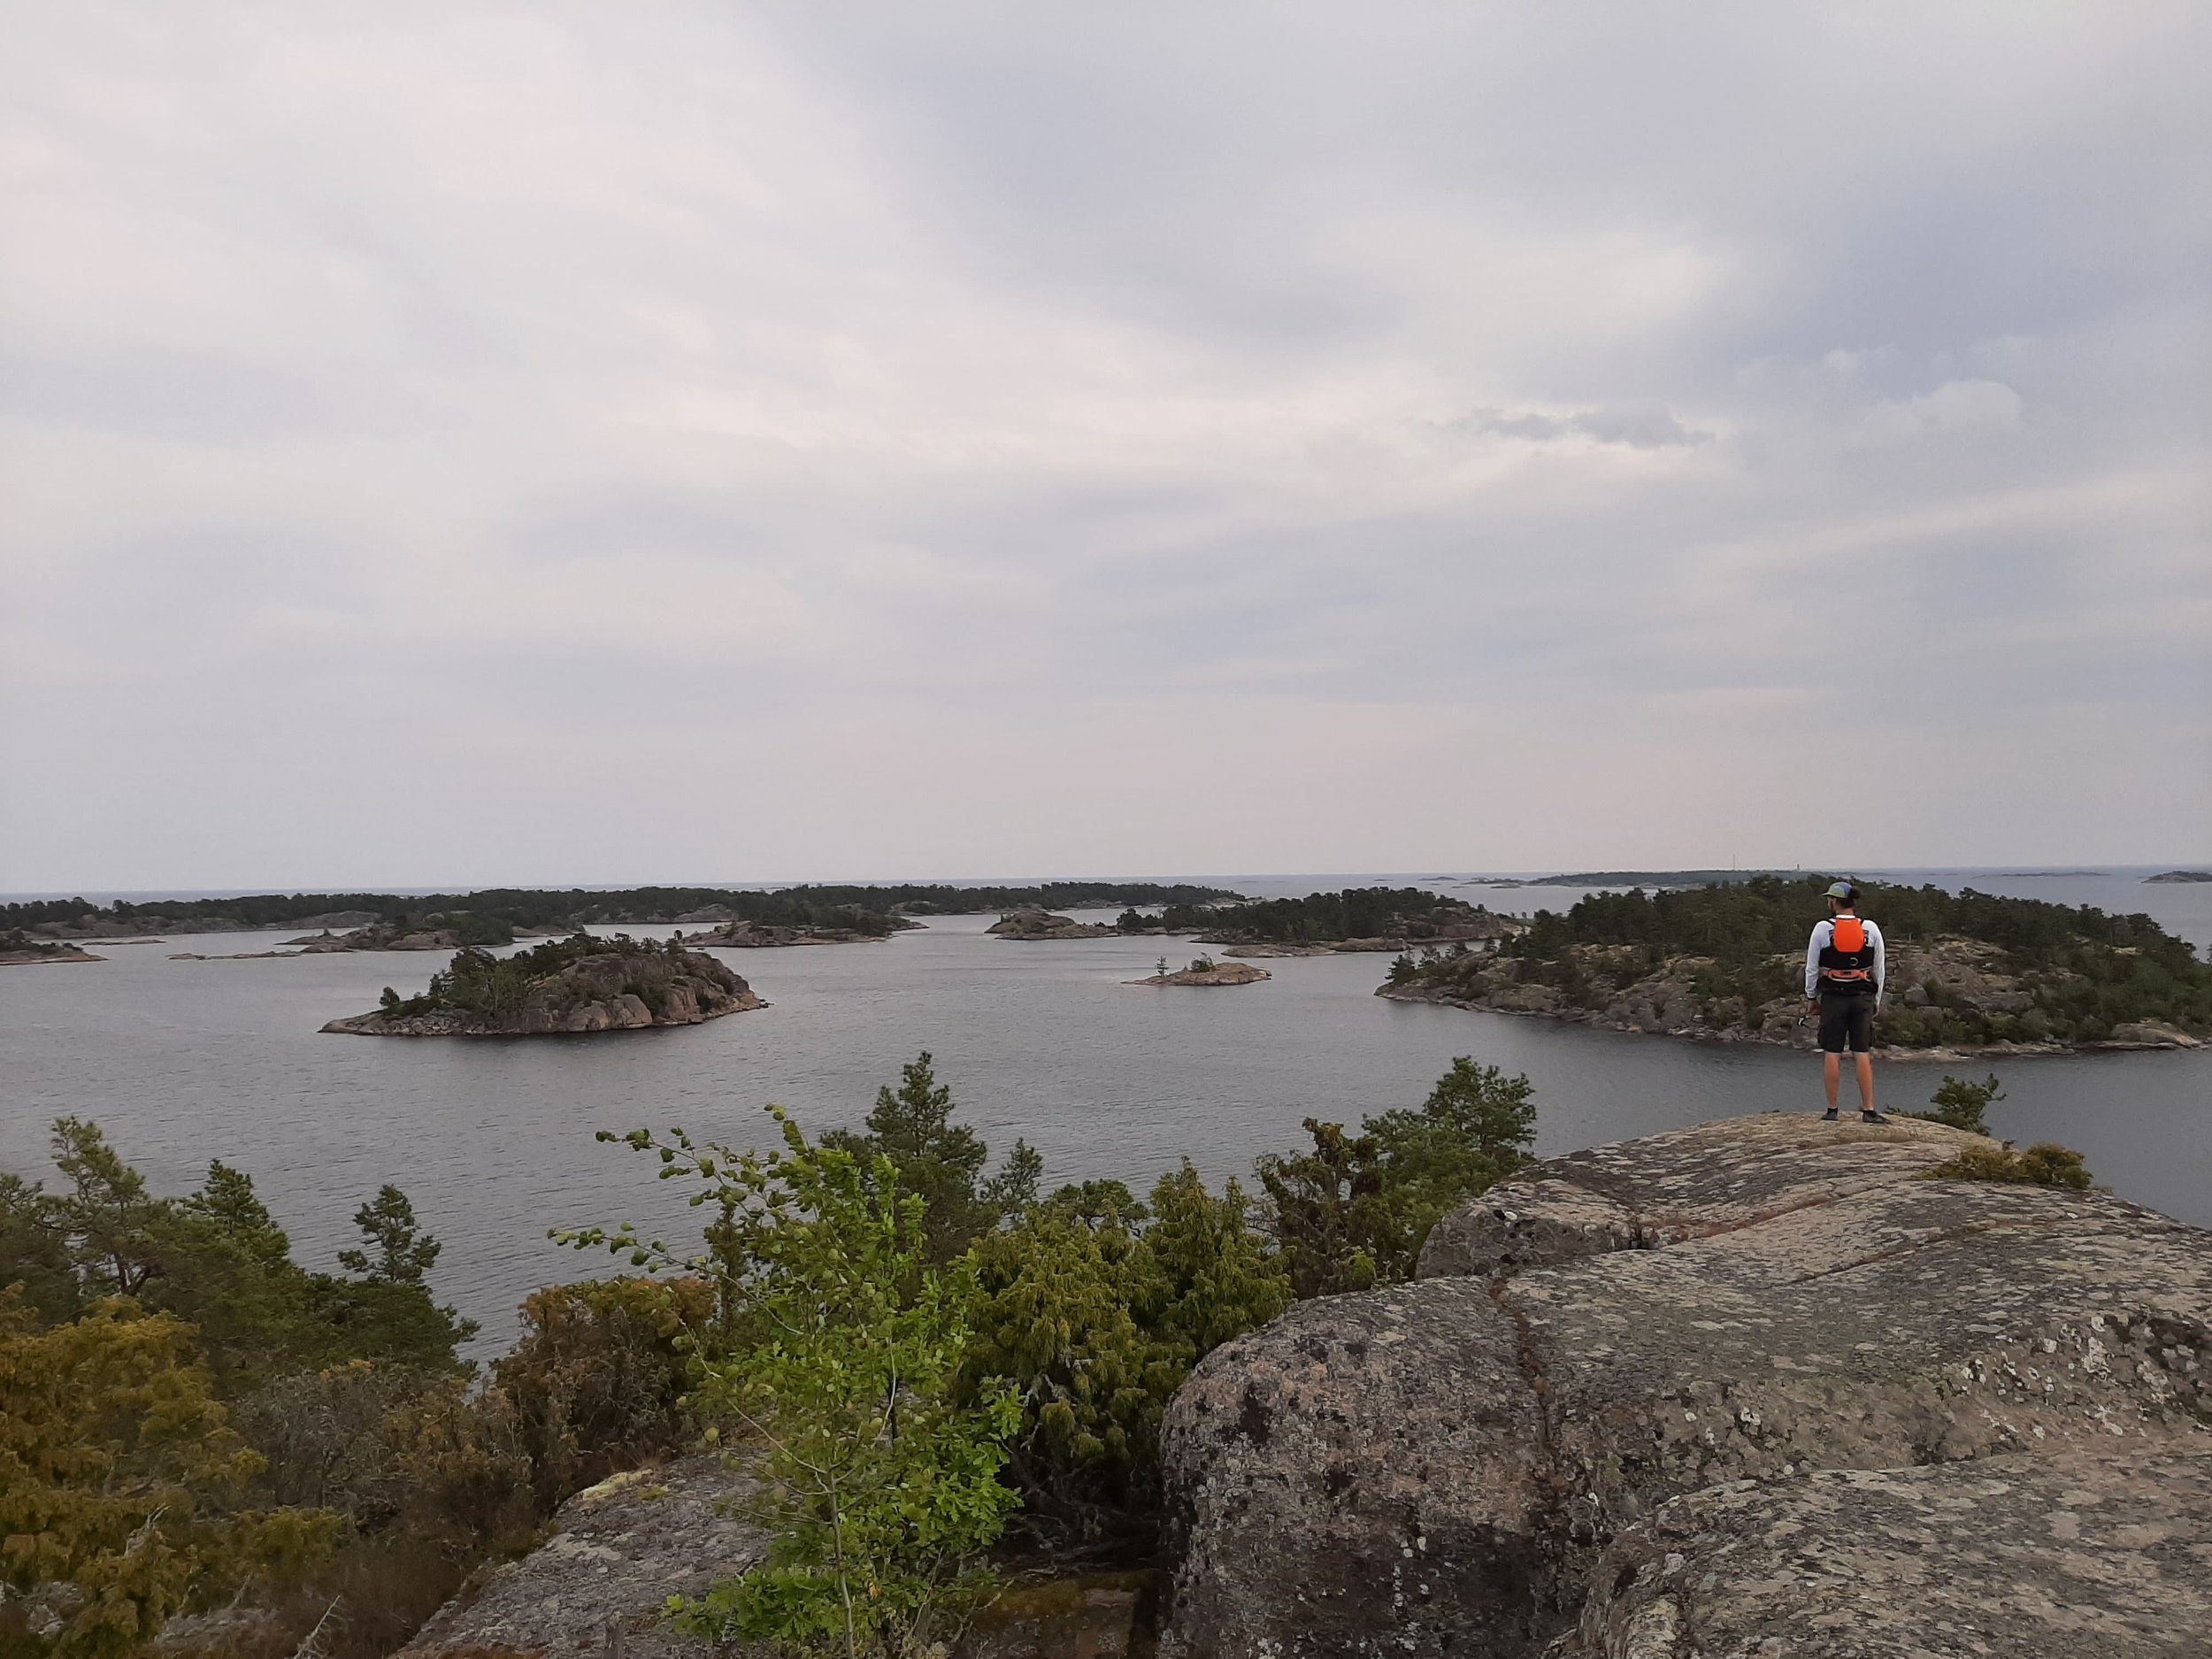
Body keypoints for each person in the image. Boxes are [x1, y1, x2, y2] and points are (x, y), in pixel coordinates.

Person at [1805, 879, 1886, 1123]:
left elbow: (1811, 968)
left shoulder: (1822, 929)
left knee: (1832, 1052)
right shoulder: (1870, 928)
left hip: (1833, 995)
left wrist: (1811, 997)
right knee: (1862, 1052)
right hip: (1862, 995)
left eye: (1829, 899)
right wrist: (1876, 1000)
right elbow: (1879, 969)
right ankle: (1869, 1110)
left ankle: (1832, 1110)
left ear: (1834, 901)